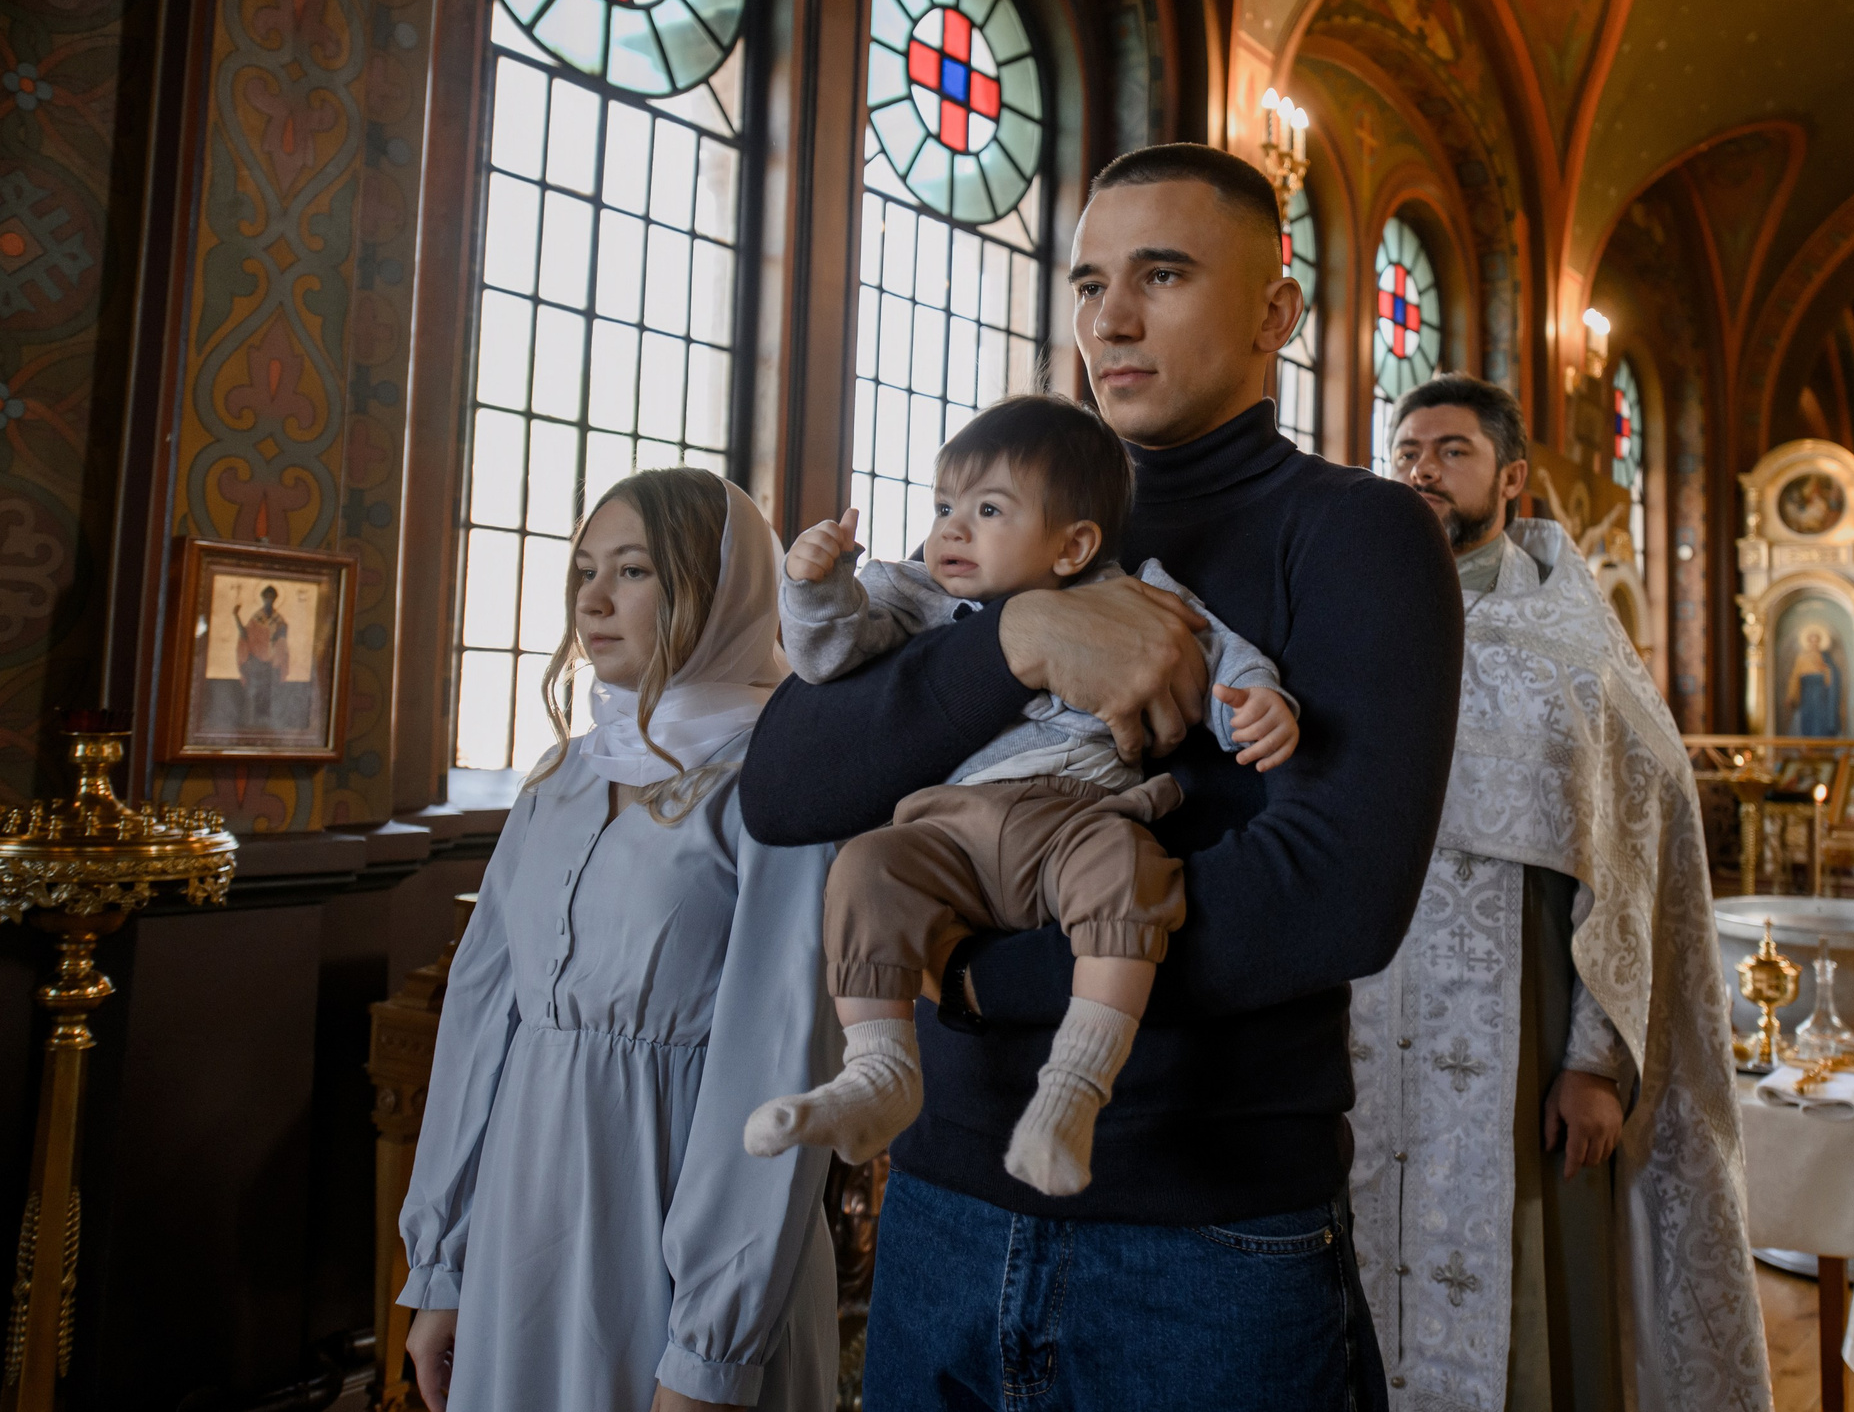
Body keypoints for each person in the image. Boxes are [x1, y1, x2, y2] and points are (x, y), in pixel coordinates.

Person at [738, 143, 1464, 1410]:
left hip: (1207, 1237)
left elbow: (1333, 890)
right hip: (948, 1204)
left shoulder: (1356, 531)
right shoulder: (1002, 516)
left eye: (1163, 273)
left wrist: (963, 972)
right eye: (1086, 284)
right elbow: (788, 785)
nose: (1109, 319)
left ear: (1274, 314)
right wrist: (1020, 640)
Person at [743, 394, 1298, 1197]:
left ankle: (1073, 1088)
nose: (951, 529)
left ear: (1075, 544)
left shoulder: (1138, 592)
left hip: (1076, 818)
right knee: (867, 867)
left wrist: (1259, 699)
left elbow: (1211, 652)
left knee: (1131, 872)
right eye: (943, 506)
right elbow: (829, 661)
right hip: (949, 830)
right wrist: (817, 587)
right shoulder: (916, 594)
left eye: (988, 508)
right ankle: (879, 1070)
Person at [1364, 374, 1771, 1412]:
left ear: (1510, 479)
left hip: (1522, 1021)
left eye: (1448, 450)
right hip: (1355, 1023)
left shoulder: (1575, 653)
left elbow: (1634, 855)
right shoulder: (1345, 615)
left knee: (1519, 1296)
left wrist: (1595, 1059)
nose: (1418, 468)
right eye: (1405, 448)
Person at [399, 467, 837, 1412]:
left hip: (688, 1226)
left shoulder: (778, 780)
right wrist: (440, 1265)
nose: (591, 601)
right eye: (584, 571)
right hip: (525, 1229)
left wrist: (710, 1350)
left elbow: (780, 1062)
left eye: (633, 572)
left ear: (716, 589)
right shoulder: (559, 777)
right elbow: (480, 1024)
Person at [234, 583, 290, 728]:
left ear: (276, 599)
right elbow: (245, 634)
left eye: (272, 598)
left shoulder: (279, 619)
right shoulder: (256, 618)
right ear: (262, 598)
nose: (269, 600)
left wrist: (281, 635)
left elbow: (282, 641)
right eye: (266, 597)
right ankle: (249, 725)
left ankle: (265, 727)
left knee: (269, 694)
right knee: (253, 692)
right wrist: (236, 616)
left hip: (272, 662)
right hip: (256, 661)